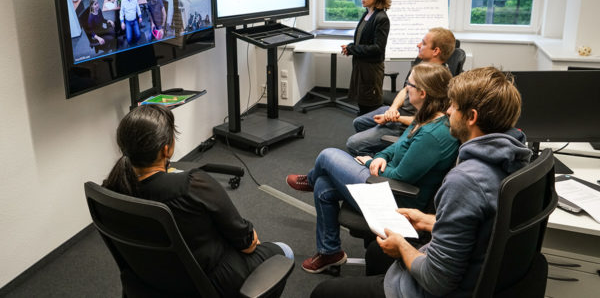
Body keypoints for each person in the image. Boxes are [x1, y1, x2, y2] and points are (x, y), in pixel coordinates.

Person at [310, 67, 531, 298]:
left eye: (453, 106)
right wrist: (431, 221)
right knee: (375, 252)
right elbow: (482, 231)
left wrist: (402, 247)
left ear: (471, 117)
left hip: (431, 289)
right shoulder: (513, 158)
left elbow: (437, 282)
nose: (447, 110)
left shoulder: (465, 180)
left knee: (323, 293)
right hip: (475, 274)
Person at [102, 105, 293, 297]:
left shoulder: (110, 190)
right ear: (166, 150)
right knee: (284, 251)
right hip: (212, 283)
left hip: (150, 284)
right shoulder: (192, 185)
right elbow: (247, 242)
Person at [286, 63, 459, 275]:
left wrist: (369, 162)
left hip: (396, 197)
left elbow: (400, 176)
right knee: (324, 185)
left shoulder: (433, 135)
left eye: (409, 84)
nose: (405, 88)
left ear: (422, 93)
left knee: (327, 155)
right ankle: (330, 252)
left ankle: (310, 180)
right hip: (384, 181)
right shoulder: (425, 117)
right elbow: (396, 146)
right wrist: (380, 157)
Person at [346, 27, 456, 156]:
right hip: (398, 113)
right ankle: (382, 149)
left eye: (424, 43)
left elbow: (429, 122)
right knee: (359, 122)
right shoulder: (422, 64)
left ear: (436, 51)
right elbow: (406, 88)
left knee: (352, 143)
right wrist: (393, 108)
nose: (418, 45)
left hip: (408, 124)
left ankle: (382, 160)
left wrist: (397, 119)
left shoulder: (438, 80)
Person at [341, 0, 391, 115]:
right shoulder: (367, 14)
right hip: (360, 66)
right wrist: (351, 47)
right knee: (362, 104)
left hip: (371, 69)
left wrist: (353, 49)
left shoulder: (381, 18)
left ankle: (369, 134)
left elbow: (377, 48)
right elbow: (364, 40)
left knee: (371, 106)